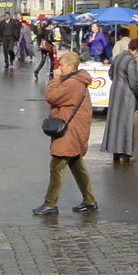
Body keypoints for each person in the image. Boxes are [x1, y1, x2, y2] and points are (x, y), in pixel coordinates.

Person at [34, 50, 97, 216]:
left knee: (56, 165)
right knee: (76, 164)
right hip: (74, 129)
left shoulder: (73, 83)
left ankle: (50, 203)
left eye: (61, 65)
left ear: (70, 66)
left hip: (70, 130)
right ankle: (89, 200)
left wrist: (55, 80)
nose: (58, 68)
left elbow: (52, 97)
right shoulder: (74, 81)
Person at [101, 38, 138, 162]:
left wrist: (117, 82)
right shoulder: (131, 61)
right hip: (126, 94)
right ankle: (125, 153)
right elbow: (133, 80)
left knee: (114, 121)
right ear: (136, 50)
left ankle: (115, 151)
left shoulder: (118, 57)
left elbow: (111, 73)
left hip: (115, 91)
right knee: (126, 122)